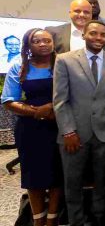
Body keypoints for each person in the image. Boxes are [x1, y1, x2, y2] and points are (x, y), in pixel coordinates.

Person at [53, 20, 105, 226]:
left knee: (102, 182)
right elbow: (60, 100)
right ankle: (76, 220)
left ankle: (100, 218)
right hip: (74, 135)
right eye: (93, 33)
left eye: (103, 35)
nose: (98, 38)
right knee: (73, 182)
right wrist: (68, 131)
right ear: (84, 35)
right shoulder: (65, 60)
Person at [1, 29, 63, 226]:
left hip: (60, 125)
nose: (43, 44)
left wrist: (52, 108)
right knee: (33, 175)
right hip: (30, 129)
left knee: (57, 174)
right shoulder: (19, 67)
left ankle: (52, 218)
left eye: (47, 40)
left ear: (53, 43)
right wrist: (36, 112)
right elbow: (9, 101)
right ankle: (38, 218)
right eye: (37, 41)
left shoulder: (63, 64)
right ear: (28, 46)